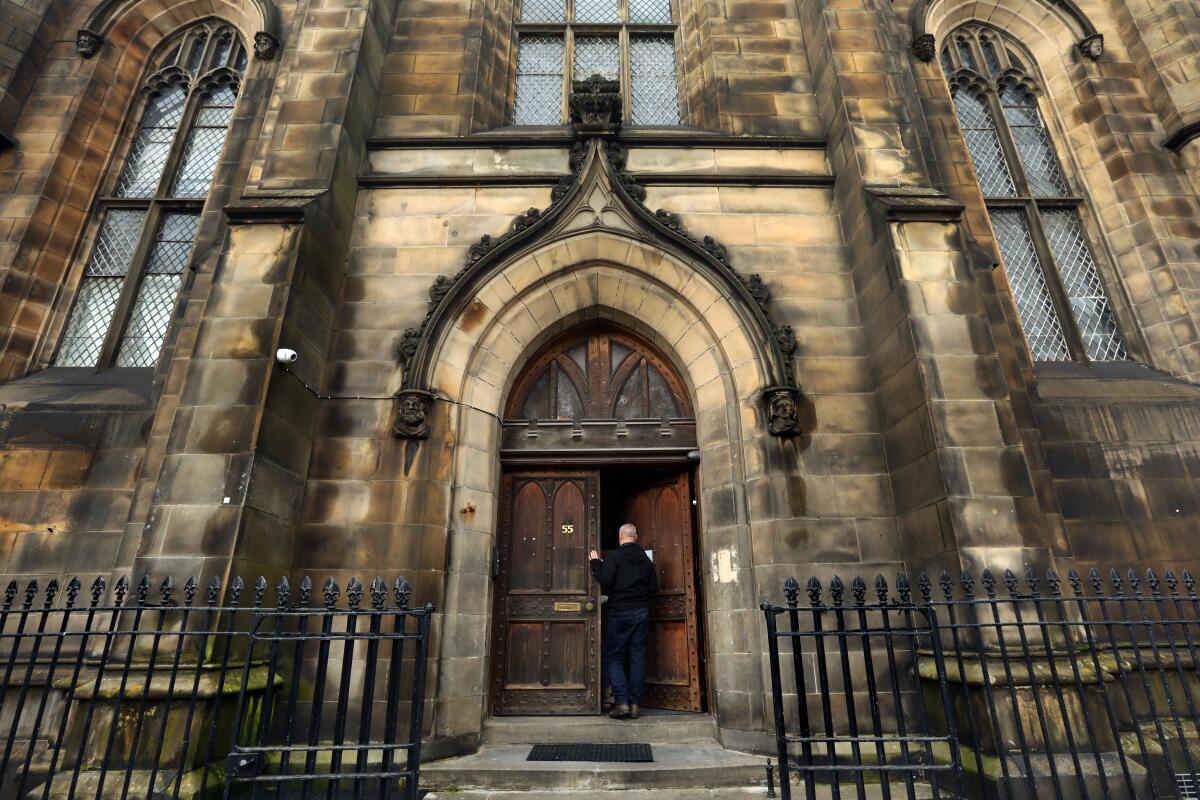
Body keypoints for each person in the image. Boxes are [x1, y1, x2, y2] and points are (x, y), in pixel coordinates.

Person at [589, 523, 657, 720]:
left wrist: (595, 563)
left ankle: (622, 703)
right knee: (637, 658)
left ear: (620, 537)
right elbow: (653, 588)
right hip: (641, 612)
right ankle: (635, 704)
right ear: (635, 537)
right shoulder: (646, 561)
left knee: (614, 658)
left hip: (620, 613)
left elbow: (605, 580)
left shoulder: (615, 557)